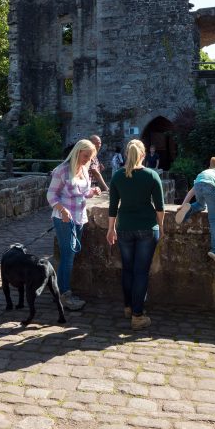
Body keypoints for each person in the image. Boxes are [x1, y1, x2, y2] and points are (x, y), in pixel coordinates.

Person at [107, 139, 164, 331]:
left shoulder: (117, 177)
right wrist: (161, 227)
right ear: (143, 154)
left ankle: (128, 307)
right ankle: (138, 316)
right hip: (147, 227)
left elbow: (113, 207)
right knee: (141, 272)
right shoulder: (151, 175)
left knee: (128, 270)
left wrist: (110, 229)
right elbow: (160, 208)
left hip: (124, 228)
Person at [47, 139, 101, 310]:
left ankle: (62, 291)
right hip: (64, 219)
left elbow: (83, 193)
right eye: (86, 156)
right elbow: (51, 196)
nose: (87, 160)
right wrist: (63, 211)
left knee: (70, 256)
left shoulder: (84, 170)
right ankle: (64, 295)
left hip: (80, 217)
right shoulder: (61, 170)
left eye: (90, 158)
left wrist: (93, 191)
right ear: (77, 152)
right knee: (68, 257)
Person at [175, 155, 215, 266]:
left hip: (198, 184)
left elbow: (192, 192)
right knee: (214, 219)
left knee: (201, 205)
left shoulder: (204, 172)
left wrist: (183, 205)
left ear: (210, 166)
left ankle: (189, 209)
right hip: (211, 187)